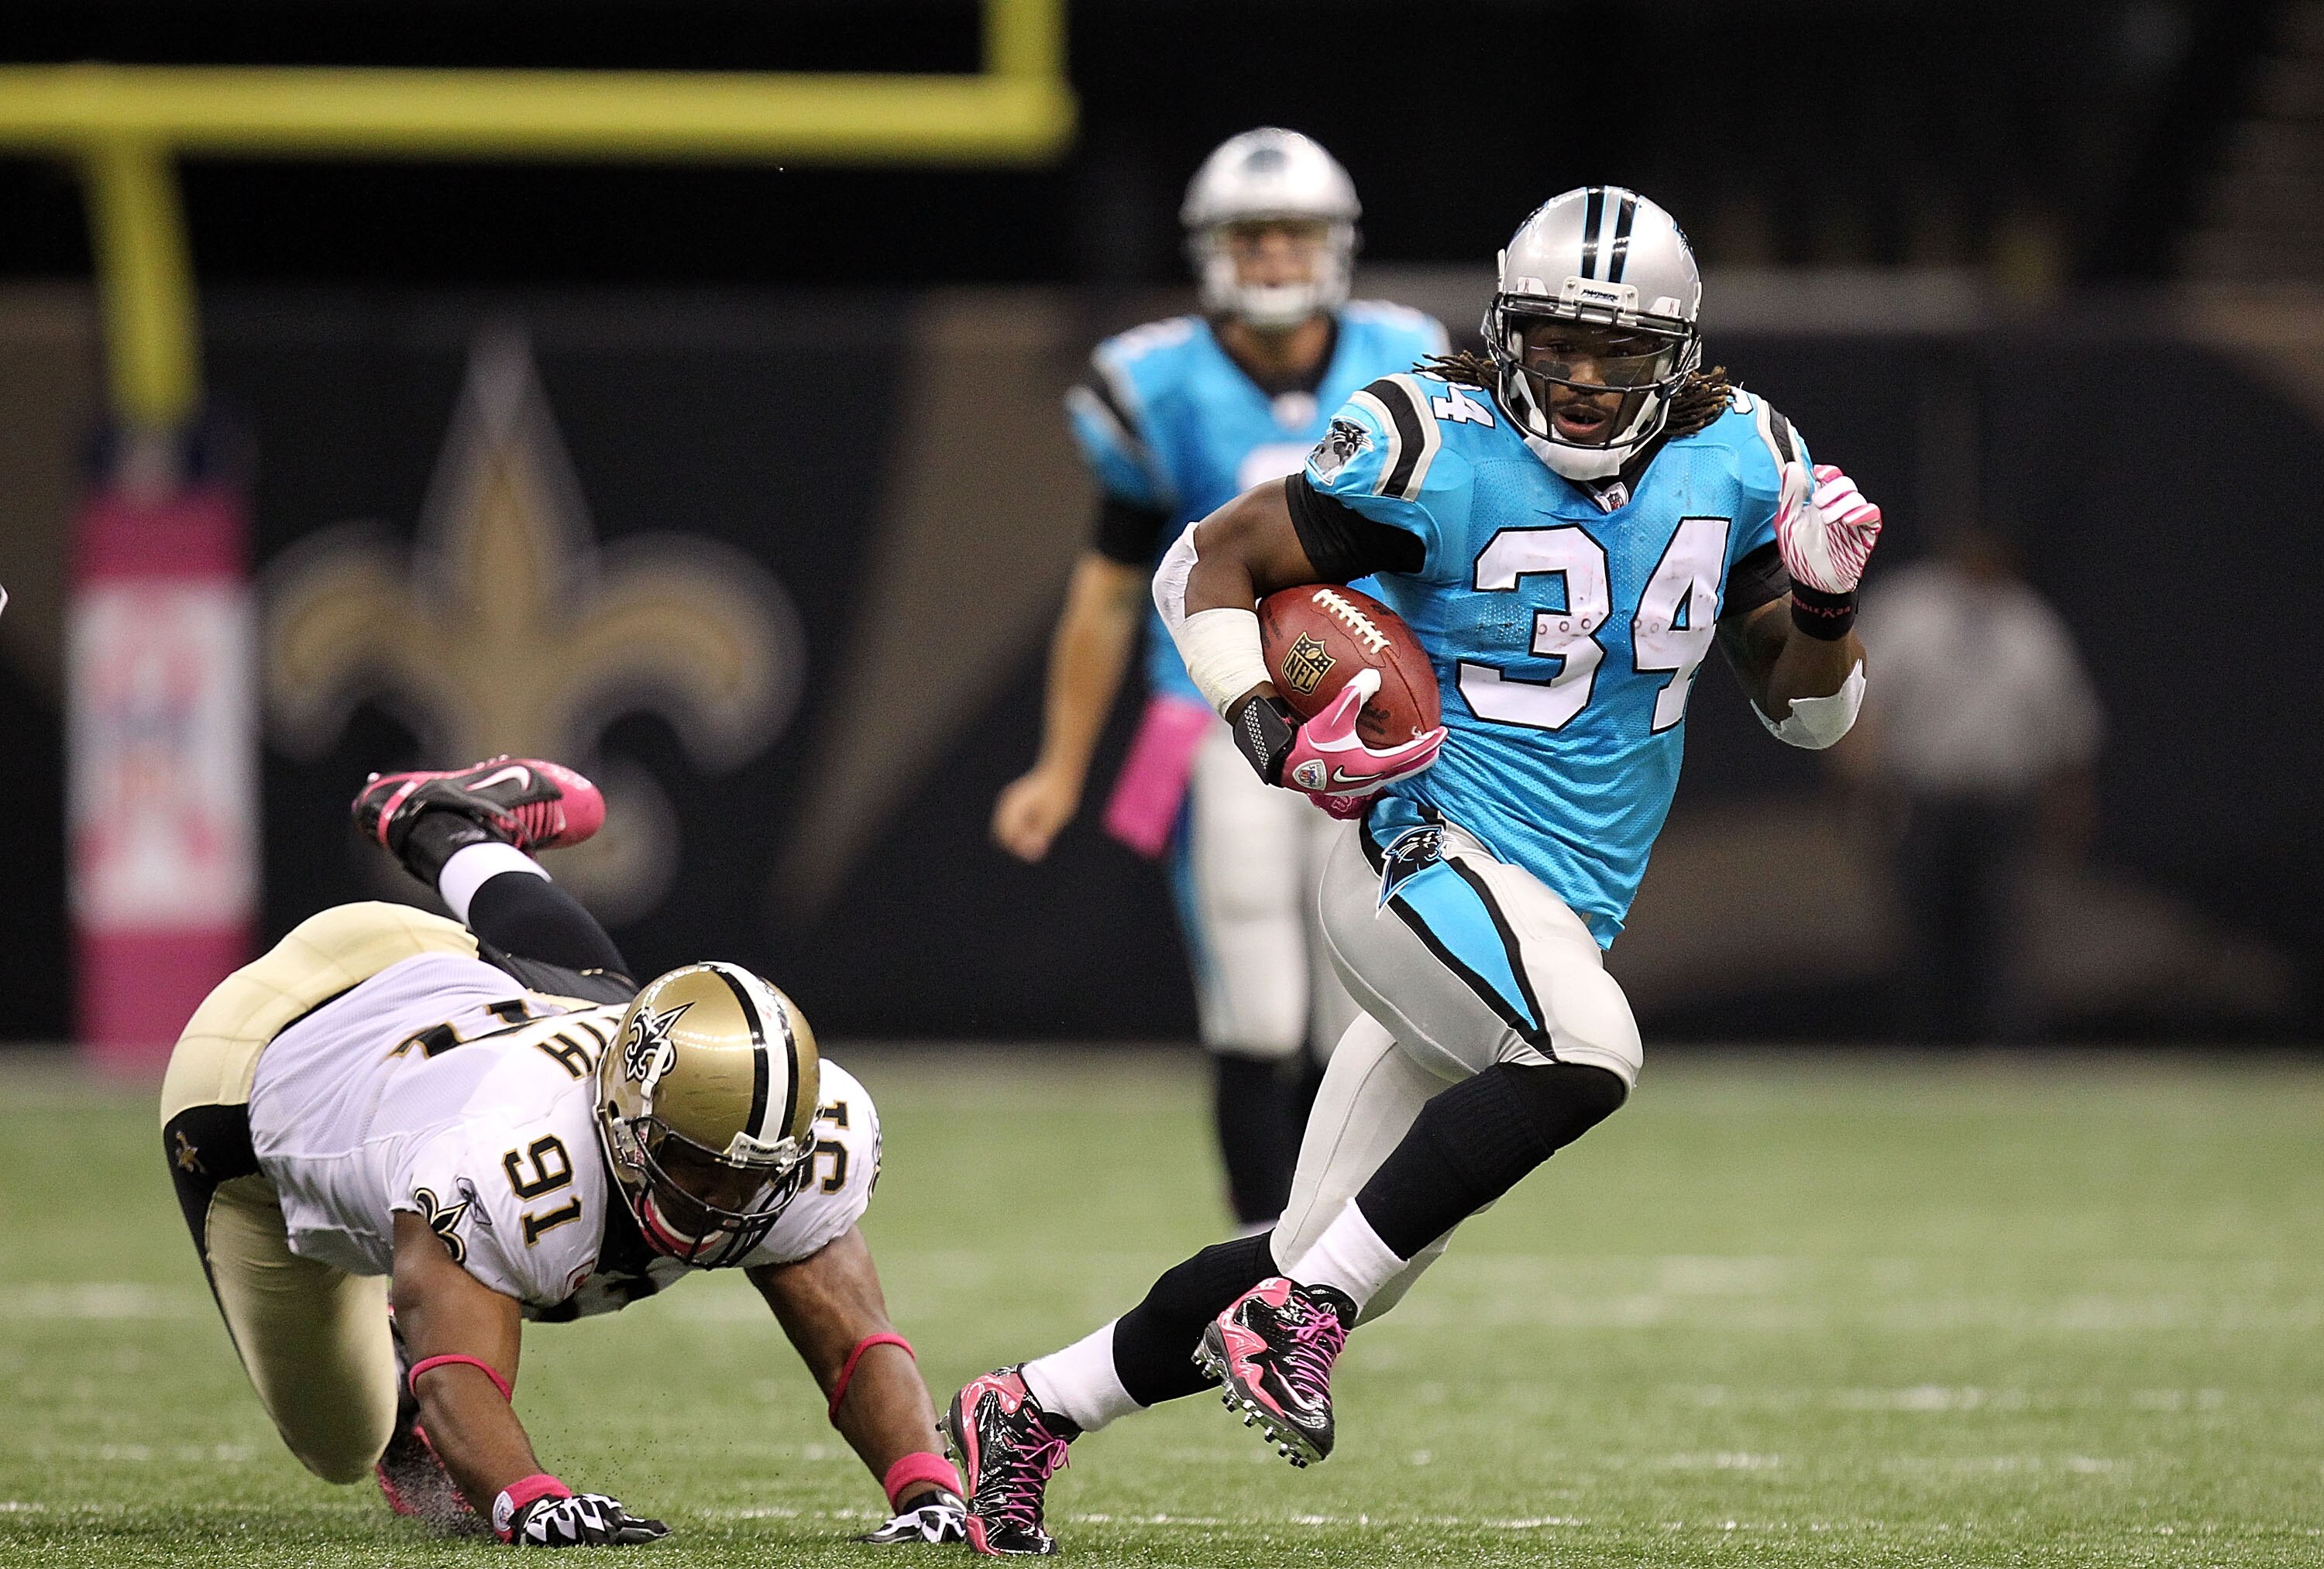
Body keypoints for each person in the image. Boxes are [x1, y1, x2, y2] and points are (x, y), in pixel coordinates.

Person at [944, 187, 1887, 1556]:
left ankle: (1027, 1409)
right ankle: (1302, 1319)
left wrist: (1824, 608)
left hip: (1558, 906)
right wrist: (1260, 719)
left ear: (1678, 356)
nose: (1576, 379)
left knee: (1314, 1244)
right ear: (1506, 331)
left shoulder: (1748, 461)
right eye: (1554, 343)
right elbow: (1201, 565)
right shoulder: (1430, 441)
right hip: (1422, 854)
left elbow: (1812, 715)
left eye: (1614, 353)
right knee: (1588, 1053)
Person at [160, 757, 968, 1547]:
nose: (725, 1200)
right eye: (696, 1165)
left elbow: (855, 1337)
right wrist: (532, 1499)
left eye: (753, 1172)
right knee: (341, 1439)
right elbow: (459, 1371)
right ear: (622, 1121)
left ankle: (450, 829)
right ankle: (399, 1380)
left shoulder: (781, 1128)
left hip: (456, 972)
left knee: (602, 997)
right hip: (254, 1056)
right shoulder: (501, 1157)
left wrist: (929, 1488)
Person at [991, 128, 1448, 1230]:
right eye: (1253, 234)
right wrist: (1060, 763)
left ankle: (1340, 1246)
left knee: (1363, 1001)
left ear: (1336, 245)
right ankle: (1258, 1241)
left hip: (1371, 721)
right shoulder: (1158, 386)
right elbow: (1106, 592)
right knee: (1256, 999)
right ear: (1211, 249)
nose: (1277, 255)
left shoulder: (1407, 364)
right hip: (1221, 718)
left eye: (1296, 233)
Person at [1849, 527, 2103, 1042]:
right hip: (1923, 804)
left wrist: (2070, 816)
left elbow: (2069, 737)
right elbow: (1860, 709)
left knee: (2003, 938)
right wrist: (1861, 794)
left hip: (2002, 808)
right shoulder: (1906, 608)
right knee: (1921, 937)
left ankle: (2003, 1059)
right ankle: (1920, 1051)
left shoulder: (2030, 623)